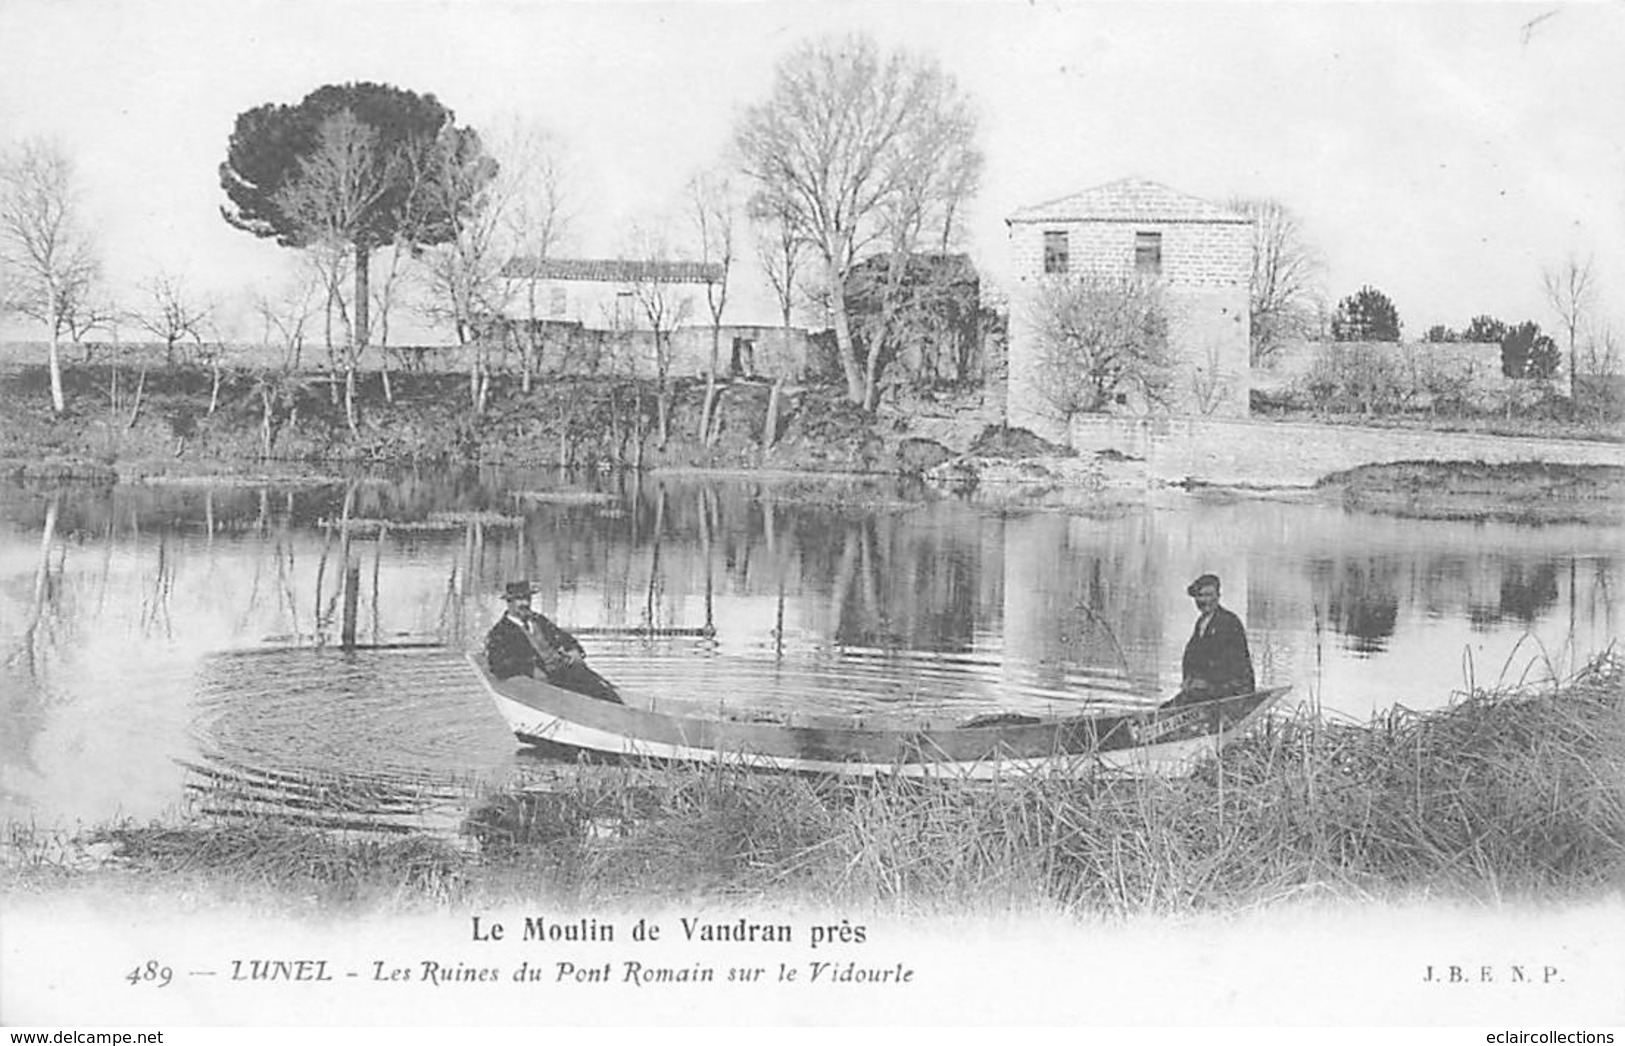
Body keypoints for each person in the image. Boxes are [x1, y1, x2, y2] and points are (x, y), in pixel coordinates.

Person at [486, 580, 623, 704]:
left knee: (604, 692)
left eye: (527, 599)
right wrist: (529, 669)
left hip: (563, 672)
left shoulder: (538, 620)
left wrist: (573, 651)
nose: (525, 604)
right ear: (509, 602)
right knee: (582, 699)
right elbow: (498, 664)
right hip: (538, 684)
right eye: (519, 599)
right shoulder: (500, 632)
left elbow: (565, 638)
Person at [1169, 573, 1255, 706]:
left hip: (1231, 694)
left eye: (1209, 595)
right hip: (1207, 692)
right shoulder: (1202, 623)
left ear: (1218, 597)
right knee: (1166, 709)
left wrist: (1206, 684)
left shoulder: (1229, 622)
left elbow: (1233, 666)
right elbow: (1192, 656)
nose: (1204, 601)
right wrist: (1189, 680)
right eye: (1200, 596)